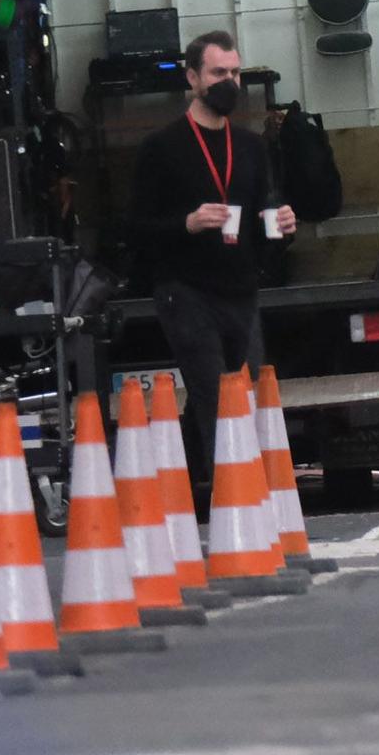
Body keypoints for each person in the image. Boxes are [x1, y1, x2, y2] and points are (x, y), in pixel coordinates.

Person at [129, 30, 296, 500]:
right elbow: (136, 228)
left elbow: (265, 213)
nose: (230, 81)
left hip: (240, 287)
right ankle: (232, 494)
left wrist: (282, 224)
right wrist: (186, 222)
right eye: (219, 73)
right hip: (186, 288)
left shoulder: (250, 147)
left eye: (236, 72)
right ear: (193, 78)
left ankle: (256, 491)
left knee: (252, 392)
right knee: (212, 392)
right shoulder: (161, 148)